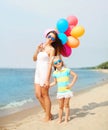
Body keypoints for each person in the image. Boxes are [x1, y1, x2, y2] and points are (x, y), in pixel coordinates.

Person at [33, 30, 65, 122]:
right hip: (37, 73)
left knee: (45, 95)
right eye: (49, 36)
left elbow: (50, 65)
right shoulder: (41, 46)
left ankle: (47, 116)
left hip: (44, 73)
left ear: (54, 40)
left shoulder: (52, 49)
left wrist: (47, 79)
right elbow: (34, 59)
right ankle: (49, 114)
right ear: (46, 36)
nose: (50, 38)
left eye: (52, 38)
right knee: (38, 95)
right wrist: (37, 49)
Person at [50, 56, 78, 123]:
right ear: (54, 65)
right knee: (60, 106)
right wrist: (49, 85)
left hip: (67, 91)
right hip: (60, 92)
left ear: (62, 62)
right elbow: (55, 82)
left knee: (66, 105)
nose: (58, 63)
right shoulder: (54, 73)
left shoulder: (66, 70)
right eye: (56, 63)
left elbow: (75, 76)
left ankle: (66, 119)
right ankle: (60, 119)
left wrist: (71, 84)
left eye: (59, 61)